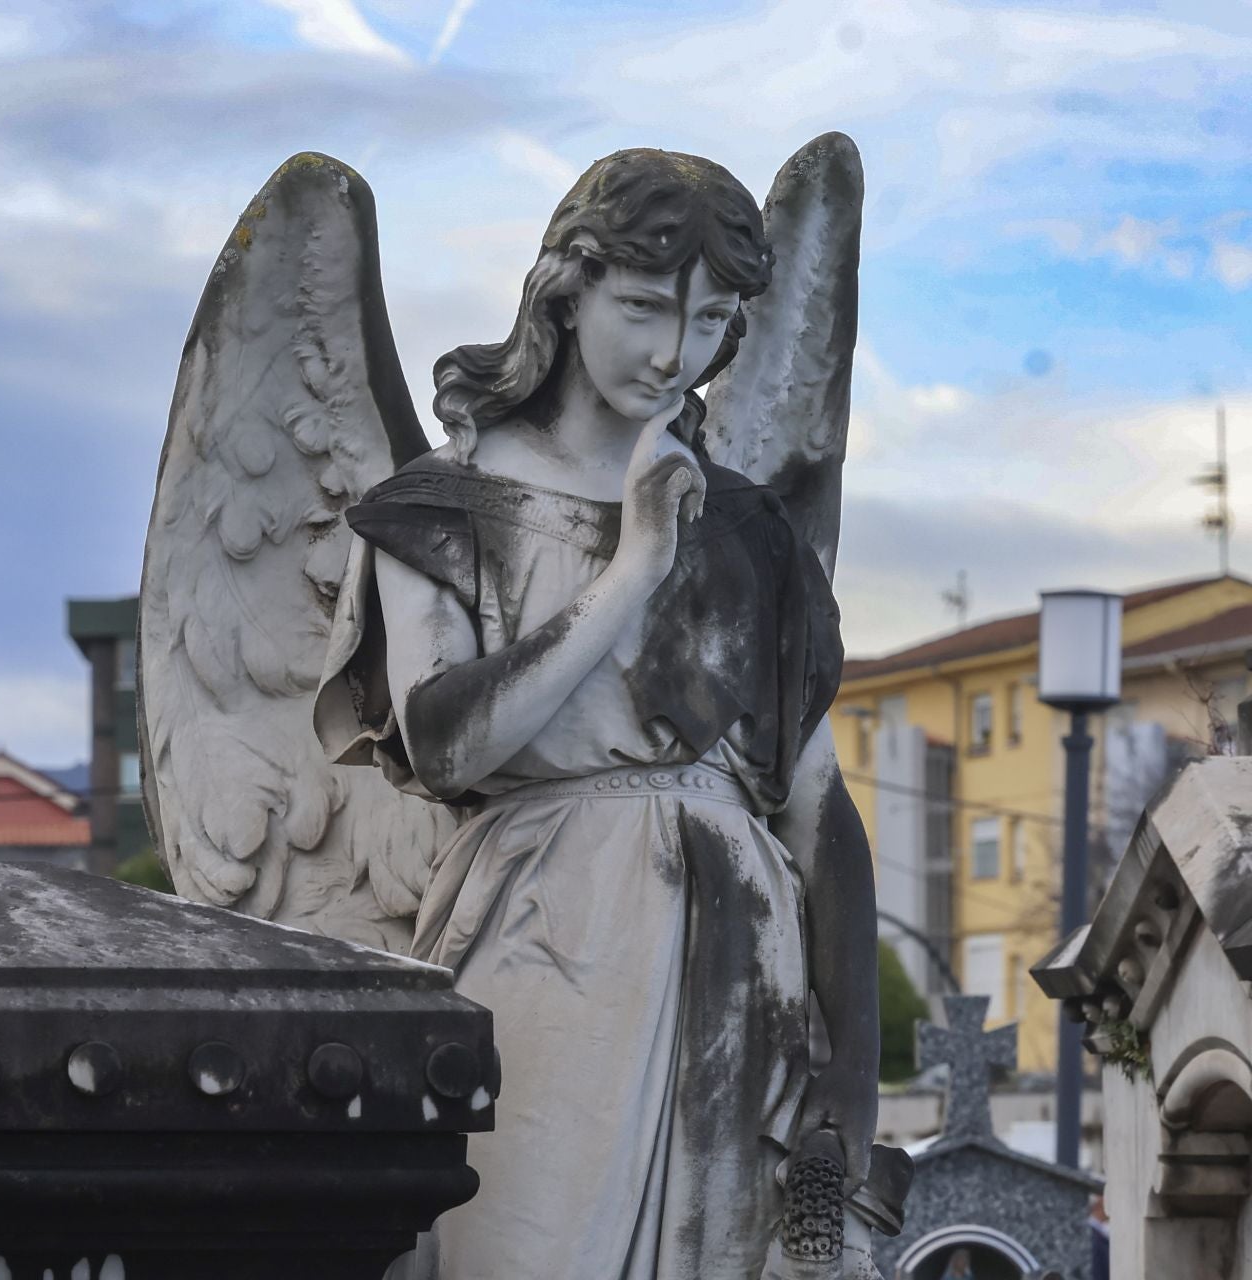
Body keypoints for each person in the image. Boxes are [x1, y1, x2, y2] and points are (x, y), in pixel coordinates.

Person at [323, 149, 878, 1279]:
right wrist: (631, 567)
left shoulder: (753, 530)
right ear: (564, 291)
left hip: (736, 959)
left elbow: (817, 808)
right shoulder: (443, 505)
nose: (676, 353)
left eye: (714, 318)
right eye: (642, 308)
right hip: (544, 943)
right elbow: (446, 742)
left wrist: (852, 1079)